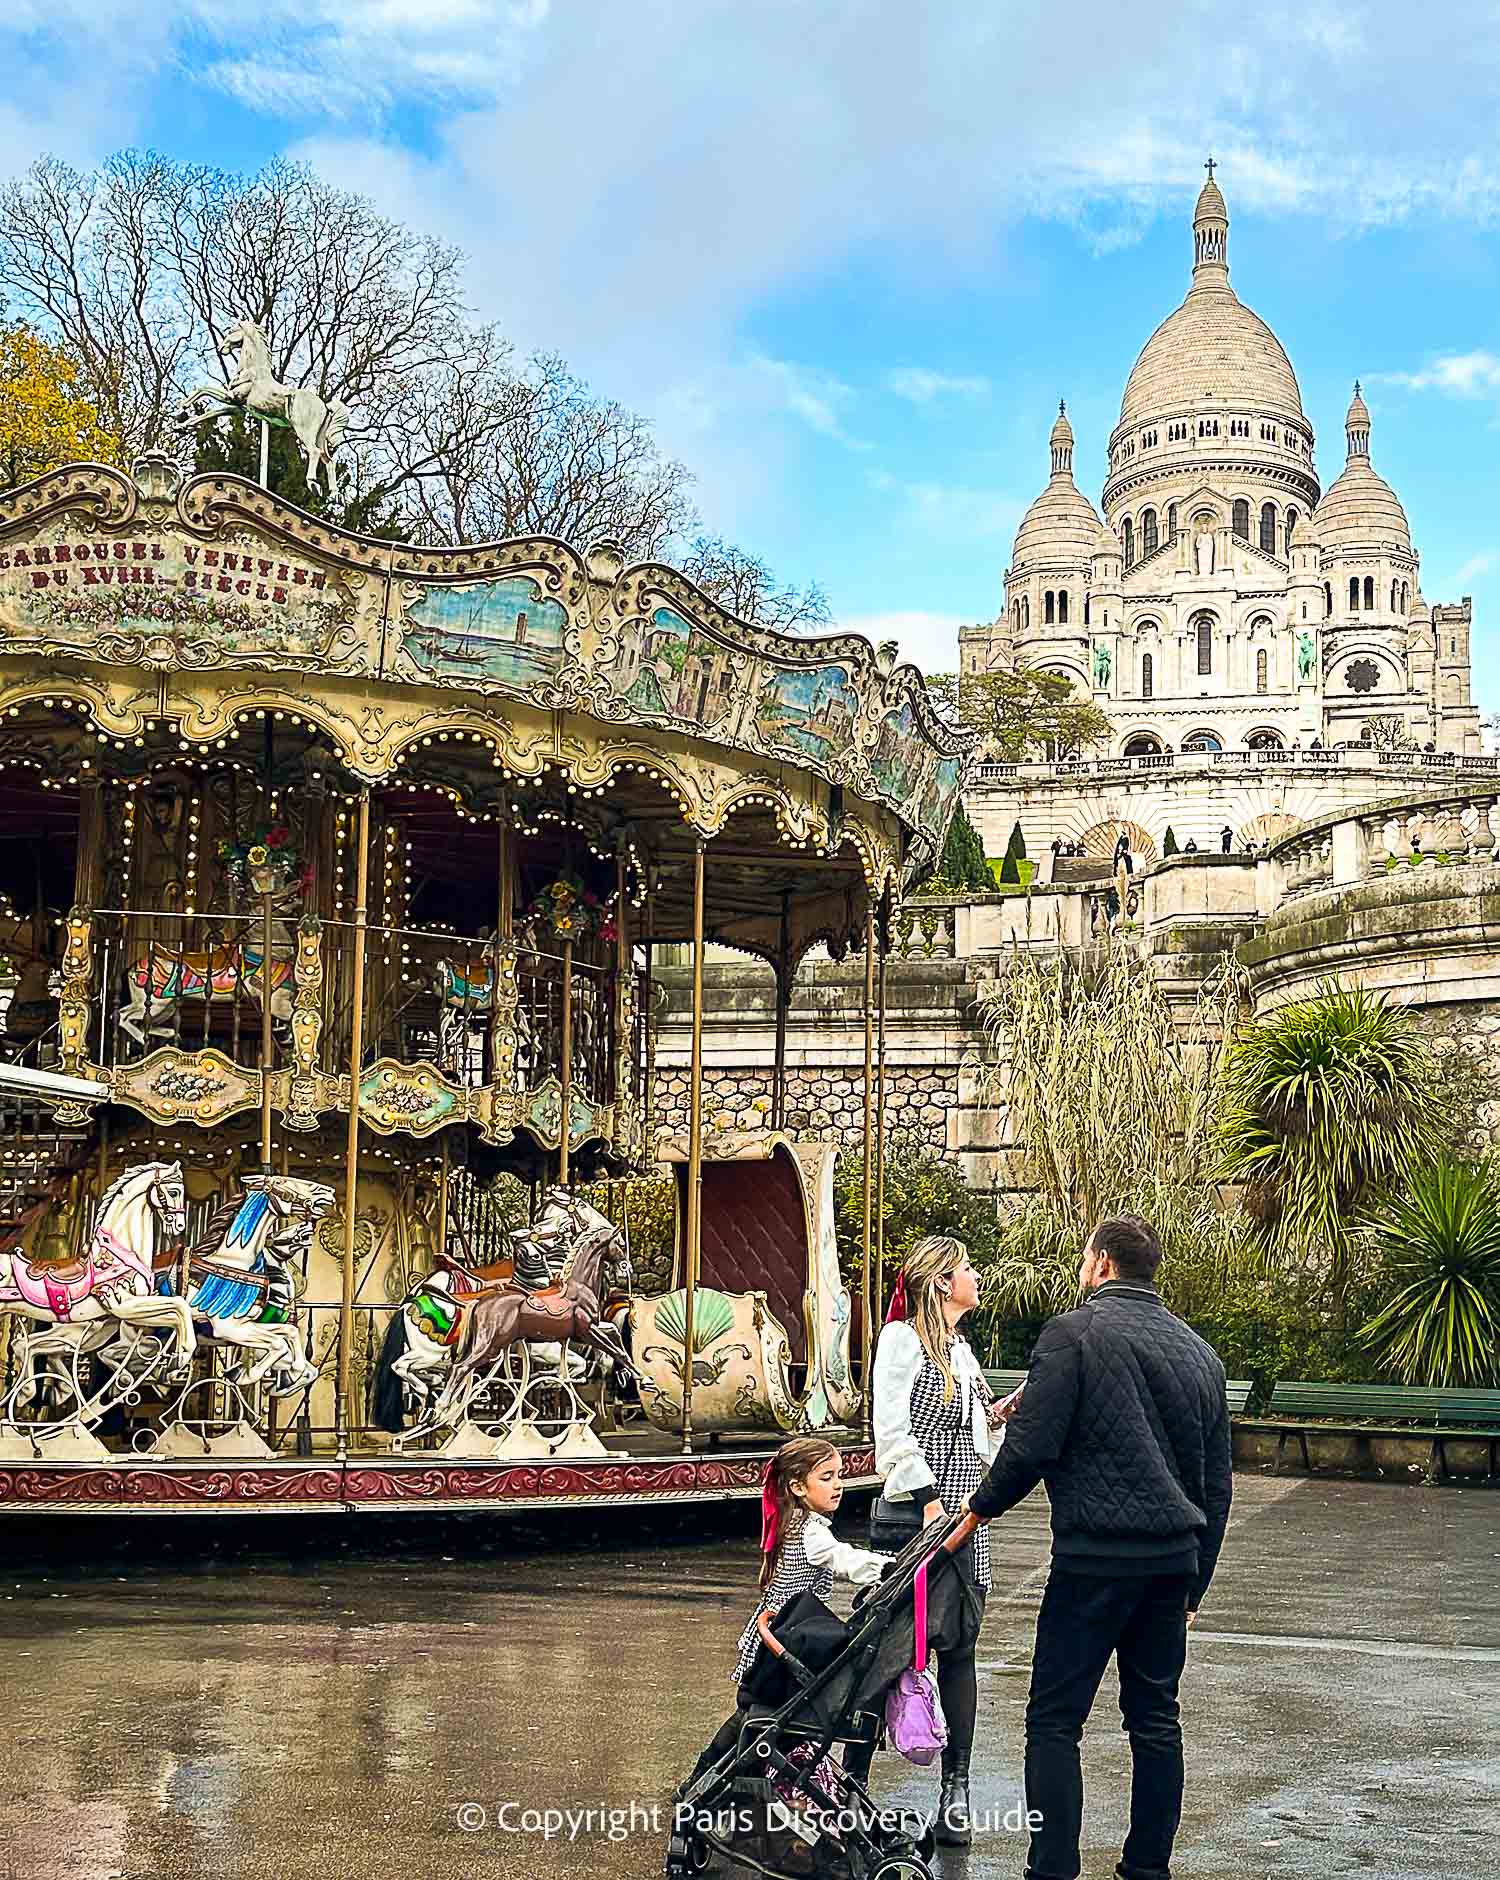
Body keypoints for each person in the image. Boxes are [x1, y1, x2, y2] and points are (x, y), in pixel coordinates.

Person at [963, 1216, 1233, 1880]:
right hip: (1172, 1563)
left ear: (1103, 1264)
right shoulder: (1200, 1352)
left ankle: (1051, 1869)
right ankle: (1147, 1868)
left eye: (1086, 1256)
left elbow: (1032, 1446)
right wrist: (1195, 1586)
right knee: (1155, 1721)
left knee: (1055, 1721)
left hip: (1093, 1561)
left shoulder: (1072, 1332)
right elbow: (1216, 1483)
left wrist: (977, 1509)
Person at [871, 1235, 1015, 1844]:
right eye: (966, 1269)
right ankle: (844, 1775)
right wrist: (930, 1501)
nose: (976, 1277)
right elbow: (891, 1431)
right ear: (939, 1283)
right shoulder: (903, 1340)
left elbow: (978, 1431)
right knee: (887, 1648)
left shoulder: (960, 1349)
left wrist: (1012, 1410)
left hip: (967, 1515)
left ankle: (956, 1789)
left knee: (960, 1652)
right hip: (920, 1515)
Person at [685, 1436, 887, 1785]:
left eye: (839, 1475)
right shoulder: (811, 1532)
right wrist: (885, 1567)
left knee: (753, 1717)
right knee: (758, 1719)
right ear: (797, 1485)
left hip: (777, 1637)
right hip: (784, 1642)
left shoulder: (793, 1521)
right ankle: (713, 1780)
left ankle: (711, 1778)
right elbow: (843, 1558)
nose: (838, 1485)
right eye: (826, 1477)